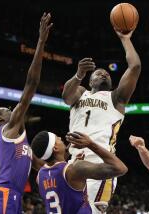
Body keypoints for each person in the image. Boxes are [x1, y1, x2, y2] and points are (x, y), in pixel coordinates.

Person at [62, 28, 141, 213]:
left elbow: (135, 67)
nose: (103, 74)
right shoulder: (81, 92)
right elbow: (66, 97)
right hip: (74, 164)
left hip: (101, 164)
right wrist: (78, 74)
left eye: (106, 73)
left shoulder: (116, 98)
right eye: (97, 73)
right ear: (89, 81)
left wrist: (125, 39)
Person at [0, 13, 52, 214]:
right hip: (4, 194)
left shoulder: (22, 142)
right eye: (6, 109)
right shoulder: (8, 128)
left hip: (14, 197)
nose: (11, 108)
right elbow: (32, 84)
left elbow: (41, 166)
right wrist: (41, 42)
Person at [31, 131, 128, 214]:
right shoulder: (74, 170)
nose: (60, 138)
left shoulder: (40, 176)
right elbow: (120, 168)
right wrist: (90, 144)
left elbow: (57, 172)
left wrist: (70, 157)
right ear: (55, 148)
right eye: (57, 138)